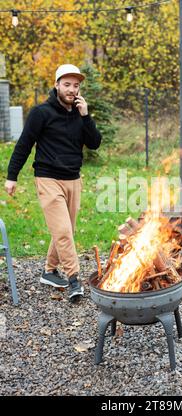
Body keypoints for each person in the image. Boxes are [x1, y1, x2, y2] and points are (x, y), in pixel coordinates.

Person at [4, 64, 102, 302]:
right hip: (48, 178)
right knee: (64, 232)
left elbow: (95, 143)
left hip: (73, 179)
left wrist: (86, 116)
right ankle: (74, 279)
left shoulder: (80, 114)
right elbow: (24, 144)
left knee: (65, 230)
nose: (71, 89)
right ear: (57, 85)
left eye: (76, 85)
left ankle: (49, 271)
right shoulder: (41, 113)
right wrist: (12, 176)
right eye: (66, 84)